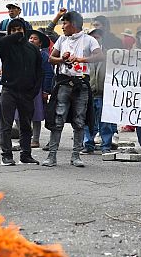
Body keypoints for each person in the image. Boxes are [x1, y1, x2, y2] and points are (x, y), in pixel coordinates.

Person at [43, 11, 103, 167]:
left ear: (74, 24)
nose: (62, 27)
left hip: (81, 84)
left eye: (65, 23)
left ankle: (76, 156)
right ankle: (52, 156)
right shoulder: (62, 40)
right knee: (58, 119)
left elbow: (99, 56)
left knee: (79, 120)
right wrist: (62, 59)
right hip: (63, 84)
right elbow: (51, 59)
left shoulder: (89, 40)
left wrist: (81, 59)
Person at [0, 19, 43, 166]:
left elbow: (39, 71)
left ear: (24, 30)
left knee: (26, 125)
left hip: (27, 92)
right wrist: (14, 36)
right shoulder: (6, 47)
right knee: (6, 125)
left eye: (19, 29)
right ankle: (6, 155)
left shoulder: (32, 49)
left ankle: (26, 154)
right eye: (12, 30)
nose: (16, 32)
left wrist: (34, 90)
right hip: (9, 90)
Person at [83, 18, 123, 155]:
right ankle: (88, 144)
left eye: (98, 36)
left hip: (104, 94)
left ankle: (106, 145)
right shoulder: (83, 55)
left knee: (105, 121)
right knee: (88, 122)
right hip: (87, 93)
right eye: (93, 36)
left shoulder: (109, 55)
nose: (95, 38)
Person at [28, 30, 53, 149]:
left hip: (38, 88)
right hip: (23, 88)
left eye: (35, 38)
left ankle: (35, 139)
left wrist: (45, 90)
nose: (32, 40)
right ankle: (26, 136)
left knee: (36, 114)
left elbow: (49, 73)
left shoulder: (44, 56)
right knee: (19, 113)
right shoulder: (24, 54)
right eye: (30, 38)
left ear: (40, 43)